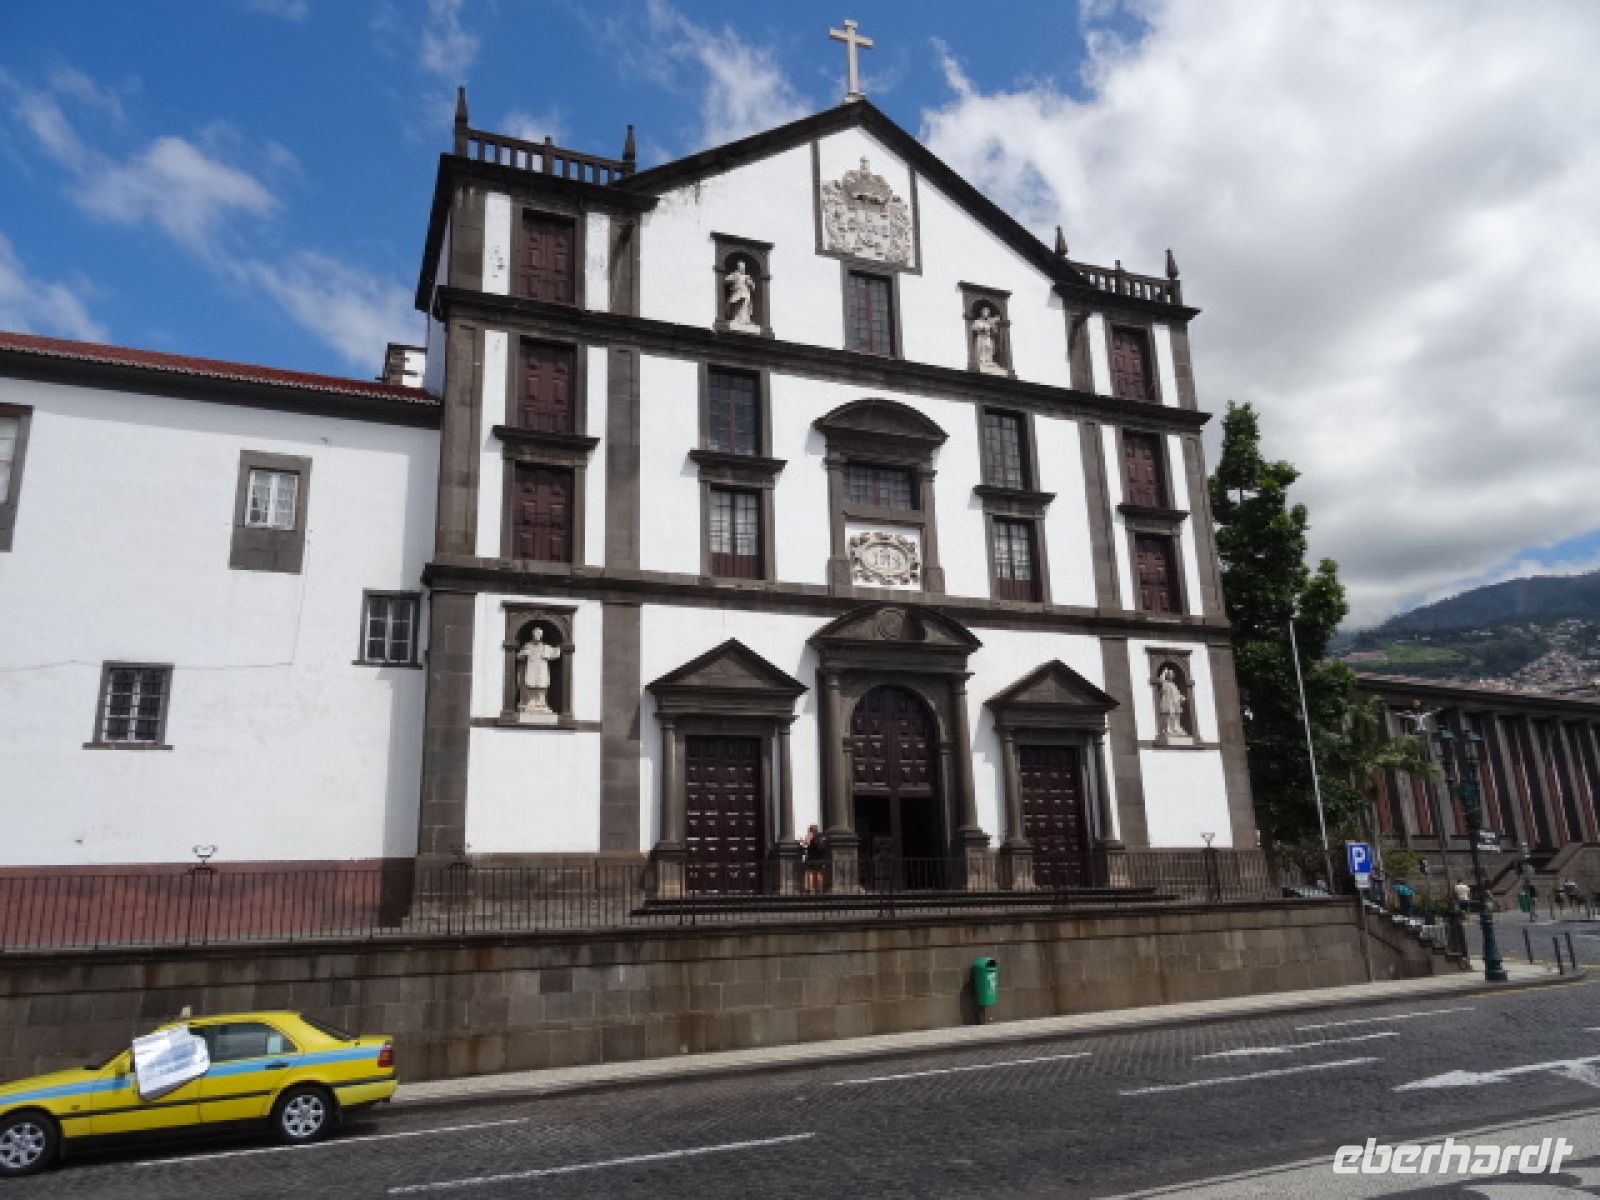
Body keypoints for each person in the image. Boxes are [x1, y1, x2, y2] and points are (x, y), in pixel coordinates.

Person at [724, 260, 756, 327]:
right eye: (741, 267)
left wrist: (750, 283)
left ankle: (745, 320)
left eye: (743, 267)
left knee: (745, 305)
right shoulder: (735, 274)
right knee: (738, 304)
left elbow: (753, 287)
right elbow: (726, 280)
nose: (742, 269)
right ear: (738, 268)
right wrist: (733, 277)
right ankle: (737, 319)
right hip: (738, 292)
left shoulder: (747, 276)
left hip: (746, 293)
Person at [801, 824, 826, 892]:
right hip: (812, 858)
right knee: (811, 873)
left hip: (816, 858)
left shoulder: (818, 837)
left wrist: (812, 840)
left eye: (810, 830)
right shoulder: (813, 837)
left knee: (817, 874)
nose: (809, 832)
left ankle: (816, 888)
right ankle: (812, 888)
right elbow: (805, 846)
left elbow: (820, 848)